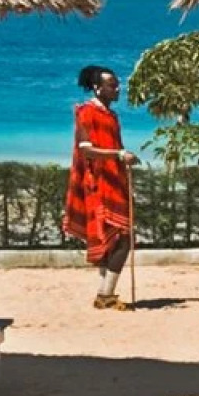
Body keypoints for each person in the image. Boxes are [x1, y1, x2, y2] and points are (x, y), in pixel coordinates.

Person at [63, 65, 138, 310]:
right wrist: (118, 154)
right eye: (112, 85)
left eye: (117, 84)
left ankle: (105, 293)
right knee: (122, 239)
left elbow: (115, 147)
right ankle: (106, 294)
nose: (118, 89)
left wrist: (122, 161)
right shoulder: (86, 112)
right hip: (98, 183)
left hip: (115, 181)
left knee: (115, 239)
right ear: (97, 87)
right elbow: (86, 150)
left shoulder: (112, 116)